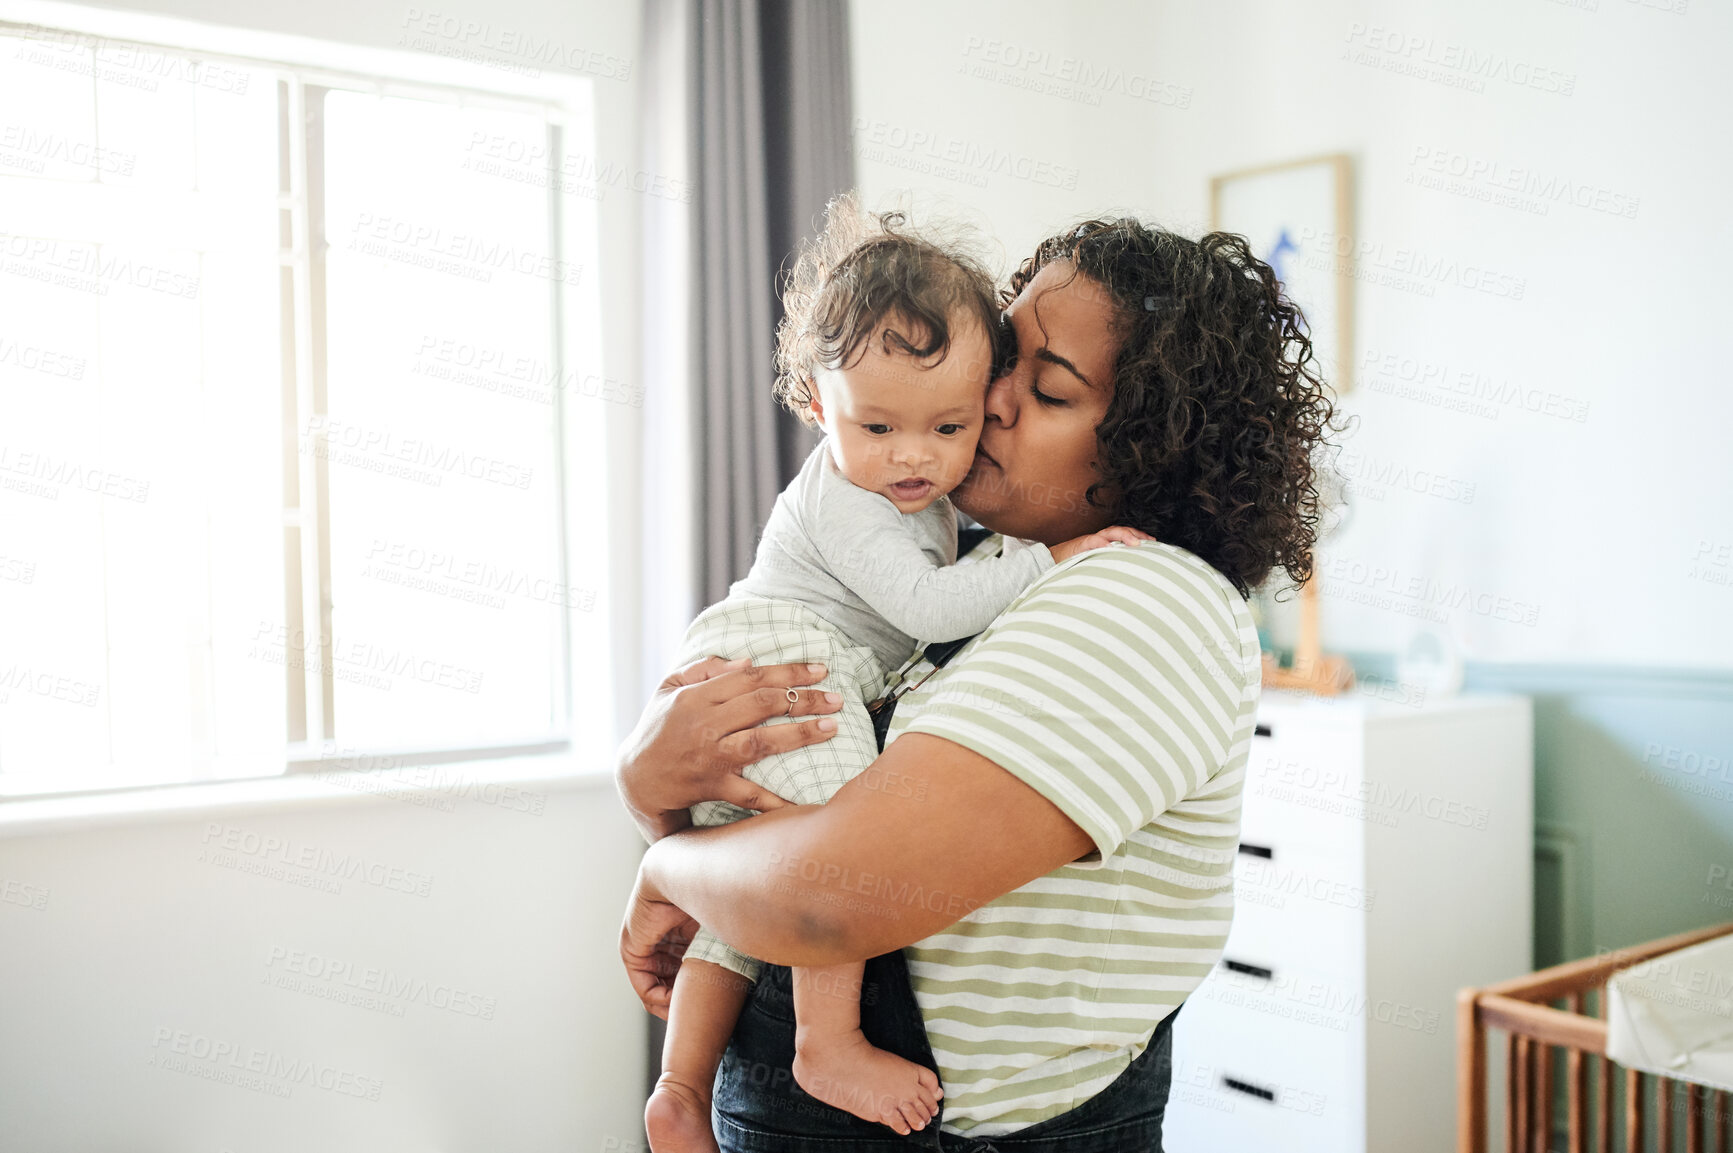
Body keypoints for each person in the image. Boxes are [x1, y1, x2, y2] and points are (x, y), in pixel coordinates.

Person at [617, 217, 1338, 1152]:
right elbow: (775, 804)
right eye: (1000, 358)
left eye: (1043, 389)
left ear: (1146, 444)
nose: (986, 400)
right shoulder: (987, 563)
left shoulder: (1143, 595)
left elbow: (830, 890)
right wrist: (651, 784)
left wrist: (664, 863)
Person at [645, 199, 1150, 1153]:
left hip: (805, 656)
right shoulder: (847, 499)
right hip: (785, 651)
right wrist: (1054, 558)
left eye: (948, 425)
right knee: (827, 845)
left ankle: (679, 1082)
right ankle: (825, 1040)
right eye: (876, 425)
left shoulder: (908, 478)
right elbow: (926, 610)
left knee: (764, 891)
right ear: (811, 400)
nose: (914, 458)